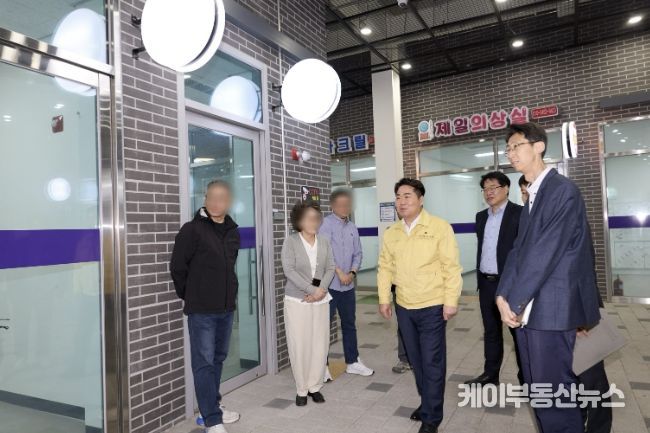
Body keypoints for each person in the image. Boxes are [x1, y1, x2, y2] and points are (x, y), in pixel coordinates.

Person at [496, 122, 600, 433]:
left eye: (517, 146)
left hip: (552, 310)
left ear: (539, 146)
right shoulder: (534, 195)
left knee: (554, 395)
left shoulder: (562, 191)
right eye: (508, 148)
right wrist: (502, 295)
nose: (511, 153)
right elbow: (518, 251)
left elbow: (545, 252)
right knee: (538, 391)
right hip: (531, 311)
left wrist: (514, 302)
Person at [377, 178, 463, 433]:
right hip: (404, 305)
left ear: (420, 199)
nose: (401, 201)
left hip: (432, 305)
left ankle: (432, 418)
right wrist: (384, 298)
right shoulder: (392, 232)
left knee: (432, 361)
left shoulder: (439, 227)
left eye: (407, 196)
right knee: (416, 360)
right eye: (398, 197)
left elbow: (451, 267)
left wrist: (451, 301)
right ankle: (427, 403)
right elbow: (385, 267)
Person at [170, 180, 241, 433]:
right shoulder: (192, 230)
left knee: (218, 359)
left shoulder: (232, 231)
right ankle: (212, 420)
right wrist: (191, 295)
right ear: (205, 199)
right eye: (212, 197)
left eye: (221, 198)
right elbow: (178, 267)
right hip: (202, 310)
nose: (216, 202)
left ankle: (210, 407)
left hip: (226, 308)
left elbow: (229, 266)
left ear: (228, 202)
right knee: (204, 363)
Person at [464, 172, 524, 386]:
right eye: (485, 189)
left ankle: (527, 377)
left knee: (518, 332)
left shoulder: (520, 214)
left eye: (493, 188)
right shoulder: (481, 217)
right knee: (491, 331)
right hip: (486, 282)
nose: (489, 192)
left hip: (510, 284)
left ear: (506, 189)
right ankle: (491, 375)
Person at [281, 201, 336, 406]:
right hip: (298, 300)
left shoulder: (324, 242)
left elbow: (330, 267)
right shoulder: (291, 242)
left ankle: (315, 386)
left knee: (319, 344)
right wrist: (312, 290)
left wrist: (320, 291)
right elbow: (289, 270)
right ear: (299, 221)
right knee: (299, 343)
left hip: (321, 300)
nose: (313, 222)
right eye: (308, 218)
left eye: (316, 218)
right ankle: (302, 389)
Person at [319, 189, 374, 379]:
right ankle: (321, 367)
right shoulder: (325, 224)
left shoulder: (352, 227)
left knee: (349, 324)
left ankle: (353, 361)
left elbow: (358, 253)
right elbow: (324, 253)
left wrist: (352, 272)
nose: (344, 208)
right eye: (340, 205)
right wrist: (339, 272)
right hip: (330, 286)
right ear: (332, 206)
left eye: (347, 205)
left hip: (348, 286)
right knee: (324, 327)